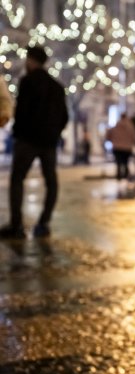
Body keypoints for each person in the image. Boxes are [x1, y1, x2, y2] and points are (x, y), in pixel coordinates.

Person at [0, 46, 68, 239]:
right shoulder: (56, 86)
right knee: (51, 182)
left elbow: (21, 113)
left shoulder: (27, 82)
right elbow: (64, 116)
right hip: (48, 142)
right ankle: (44, 223)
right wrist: (54, 134)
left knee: (17, 179)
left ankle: (16, 225)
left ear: (31, 60)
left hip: (28, 140)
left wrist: (18, 133)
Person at [106, 113, 135, 195]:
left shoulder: (116, 126)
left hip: (117, 148)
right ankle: (126, 178)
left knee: (118, 163)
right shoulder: (130, 126)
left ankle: (119, 178)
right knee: (126, 163)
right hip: (127, 148)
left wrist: (113, 141)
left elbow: (108, 135)